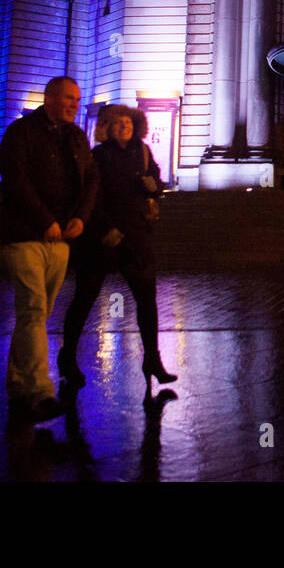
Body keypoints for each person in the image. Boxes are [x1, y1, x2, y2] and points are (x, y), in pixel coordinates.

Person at [0, 76, 98, 422]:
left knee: (34, 316)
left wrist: (81, 219)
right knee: (34, 309)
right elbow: (16, 180)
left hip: (61, 239)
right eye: (69, 98)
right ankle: (41, 391)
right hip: (25, 236)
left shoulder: (75, 136)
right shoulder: (22, 132)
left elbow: (91, 179)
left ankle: (16, 382)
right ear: (50, 98)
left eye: (77, 99)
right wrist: (44, 220)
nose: (74, 104)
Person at [59, 104, 177, 400]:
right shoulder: (98, 156)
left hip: (136, 236)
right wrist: (104, 229)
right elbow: (90, 197)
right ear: (106, 127)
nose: (124, 126)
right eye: (117, 122)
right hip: (102, 239)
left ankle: (152, 359)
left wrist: (153, 186)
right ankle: (67, 355)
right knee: (84, 298)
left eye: (128, 122)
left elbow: (156, 185)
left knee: (147, 302)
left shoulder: (143, 152)